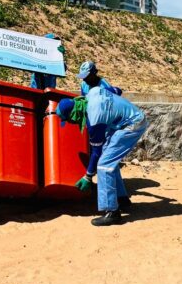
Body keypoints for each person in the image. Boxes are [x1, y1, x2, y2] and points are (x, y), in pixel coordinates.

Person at [56, 86, 148, 226]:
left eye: (68, 120)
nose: (70, 123)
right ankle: (121, 198)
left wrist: (88, 176)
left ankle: (112, 212)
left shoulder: (94, 119)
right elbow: (116, 91)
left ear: (74, 114)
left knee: (104, 165)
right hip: (127, 119)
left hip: (132, 125)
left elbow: (96, 152)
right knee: (109, 157)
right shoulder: (92, 93)